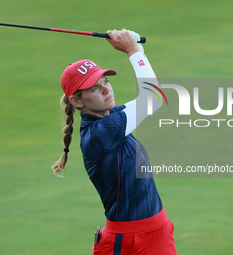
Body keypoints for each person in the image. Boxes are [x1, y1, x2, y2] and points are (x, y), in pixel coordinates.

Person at [52, 29, 177, 255]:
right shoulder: (101, 133)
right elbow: (154, 99)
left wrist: (139, 49)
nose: (106, 89)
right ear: (76, 101)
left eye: (105, 81)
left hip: (156, 231)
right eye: (94, 88)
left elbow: (149, 98)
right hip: (128, 243)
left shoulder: (112, 117)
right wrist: (133, 50)